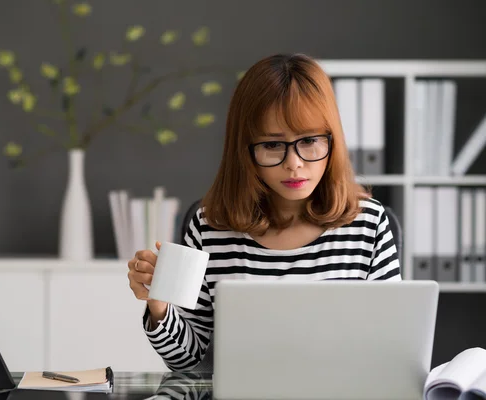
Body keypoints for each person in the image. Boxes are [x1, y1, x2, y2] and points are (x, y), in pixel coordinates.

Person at [126, 53, 401, 372]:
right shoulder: (209, 227)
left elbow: (389, 348)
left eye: (310, 141)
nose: (294, 163)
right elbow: (187, 360)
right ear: (245, 150)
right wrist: (158, 305)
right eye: (272, 145)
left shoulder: (368, 224)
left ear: (333, 140)